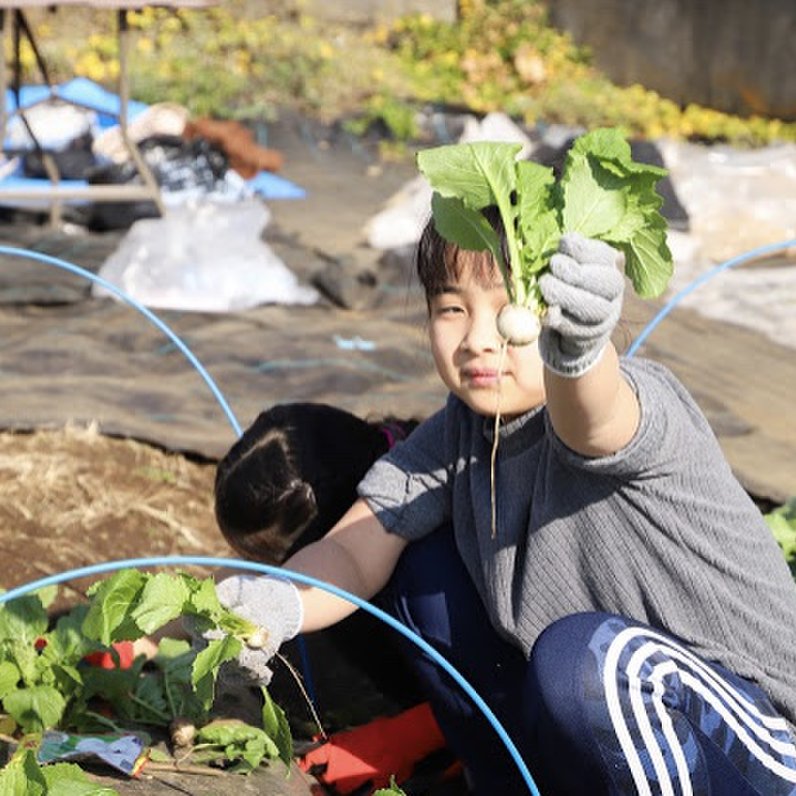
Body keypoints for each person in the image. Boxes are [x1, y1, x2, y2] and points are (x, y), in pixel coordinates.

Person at [212, 210, 796, 795]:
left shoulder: (641, 403)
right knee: (423, 574)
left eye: (509, 306)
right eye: (452, 308)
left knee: (591, 662)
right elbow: (354, 551)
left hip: (759, 735)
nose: (478, 339)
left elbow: (593, 420)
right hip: (617, 732)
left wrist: (580, 355)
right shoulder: (456, 437)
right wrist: (270, 605)